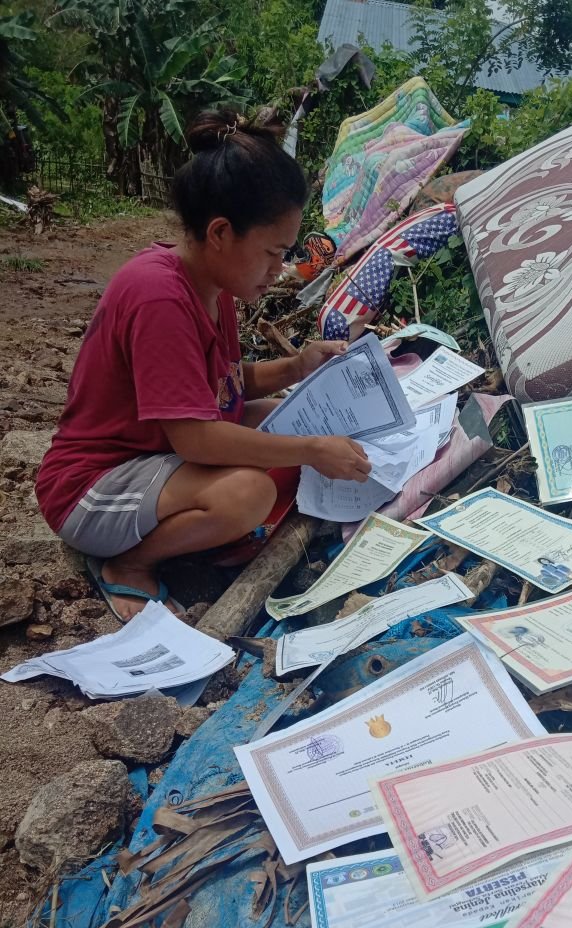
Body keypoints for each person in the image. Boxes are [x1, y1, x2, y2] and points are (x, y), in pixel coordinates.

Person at [36, 108, 371, 623]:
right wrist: (309, 449)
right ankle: (127, 563)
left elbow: (221, 391)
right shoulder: (159, 298)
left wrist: (297, 367)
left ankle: (189, 533)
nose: (279, 269)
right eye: (273, 252)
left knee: (278, 416)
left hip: (153, 458)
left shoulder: (213, 288)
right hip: (92, 488)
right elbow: (196, 436)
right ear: (220, 233)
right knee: (250, 490)